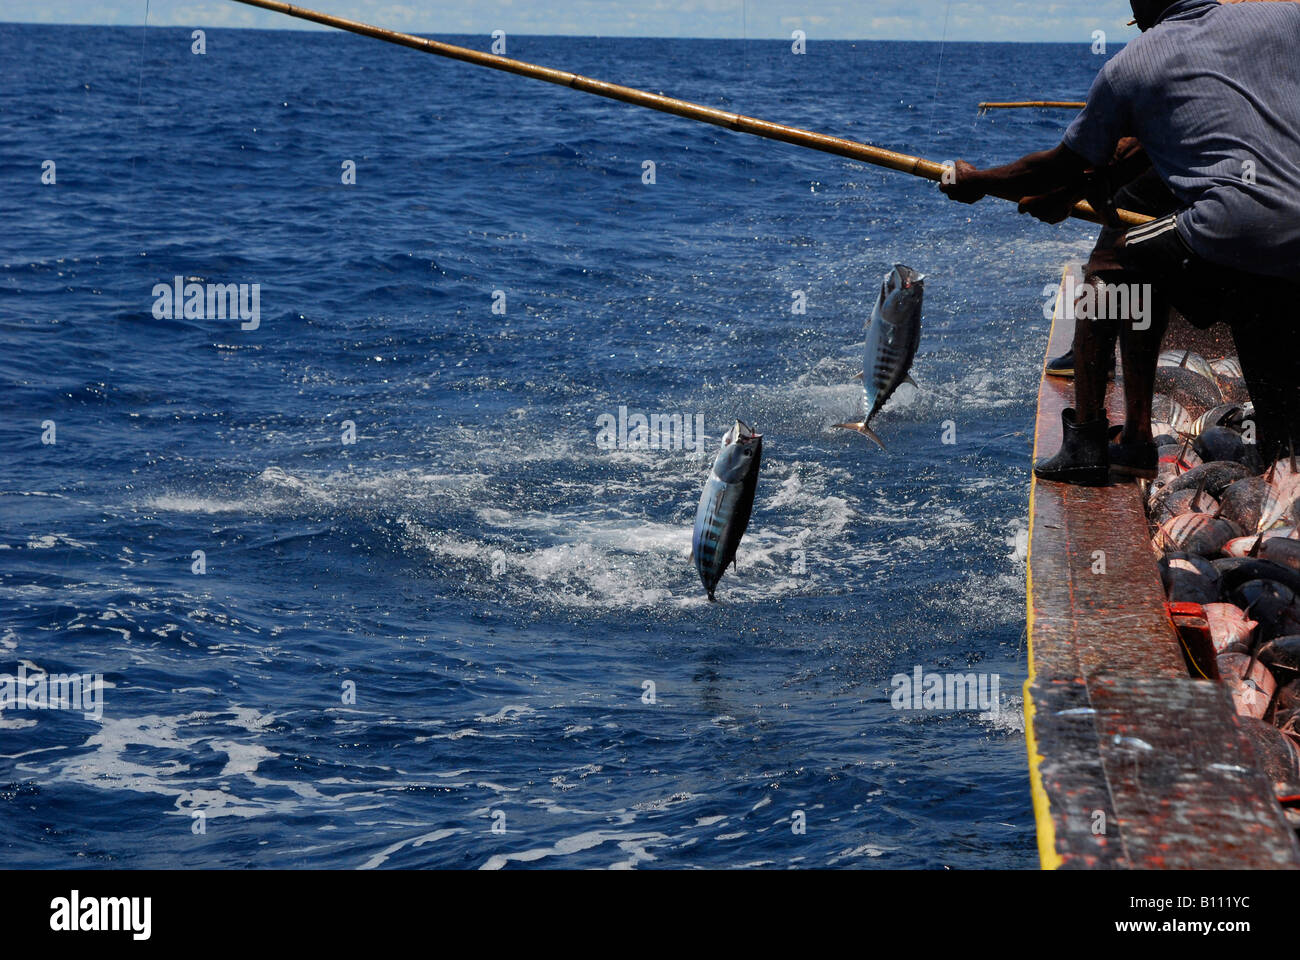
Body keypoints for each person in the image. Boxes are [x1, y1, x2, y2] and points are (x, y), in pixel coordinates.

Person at [942, 0, 1300, 485]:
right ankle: (1283, 455)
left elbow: (1059, 163)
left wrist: (980, 180)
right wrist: (1077, 190)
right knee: (1266, 317)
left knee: (1115, 264)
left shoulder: (1131, 63)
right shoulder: (1279, 17)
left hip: (1236, 222)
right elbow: (1159, 136)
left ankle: (1092, 443)